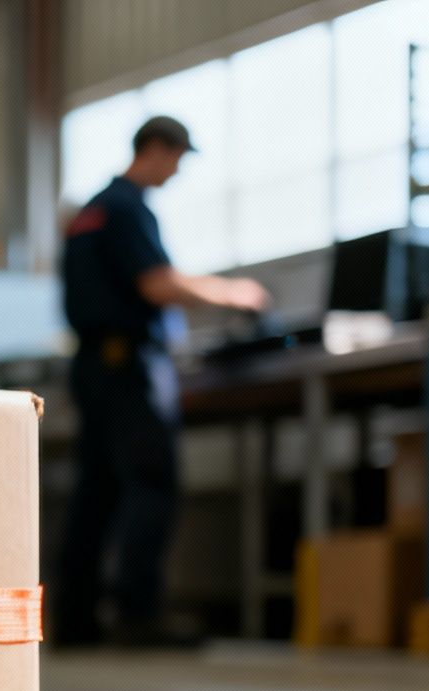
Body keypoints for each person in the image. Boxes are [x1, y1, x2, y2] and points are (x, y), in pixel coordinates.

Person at [56, 115, 271, 647]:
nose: (176, 172)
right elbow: (157, 285)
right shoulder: (127, 207)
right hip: (129, 366)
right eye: (176, 159)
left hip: (92, 365)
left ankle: (74, 622)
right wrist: (235, 294)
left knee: (96, 492)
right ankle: (138, 614)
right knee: (152, 483)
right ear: (155, 148)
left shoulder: (90, 212)